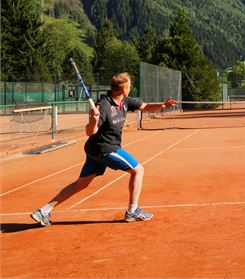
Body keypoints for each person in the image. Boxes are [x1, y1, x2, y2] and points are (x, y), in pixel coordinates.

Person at [30, 72, 176, 227]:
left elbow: (144, 107)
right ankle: (132, 211)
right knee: (138, 170)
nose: (130, 88)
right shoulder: (104, 106)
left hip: (96, 149)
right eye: (129, 86)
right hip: (105, 148)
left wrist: (163, 106)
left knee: (81, 184)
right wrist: (93, 120)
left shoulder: (124, 101)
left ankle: (44, 210)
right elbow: (89, 132)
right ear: (123, 89)